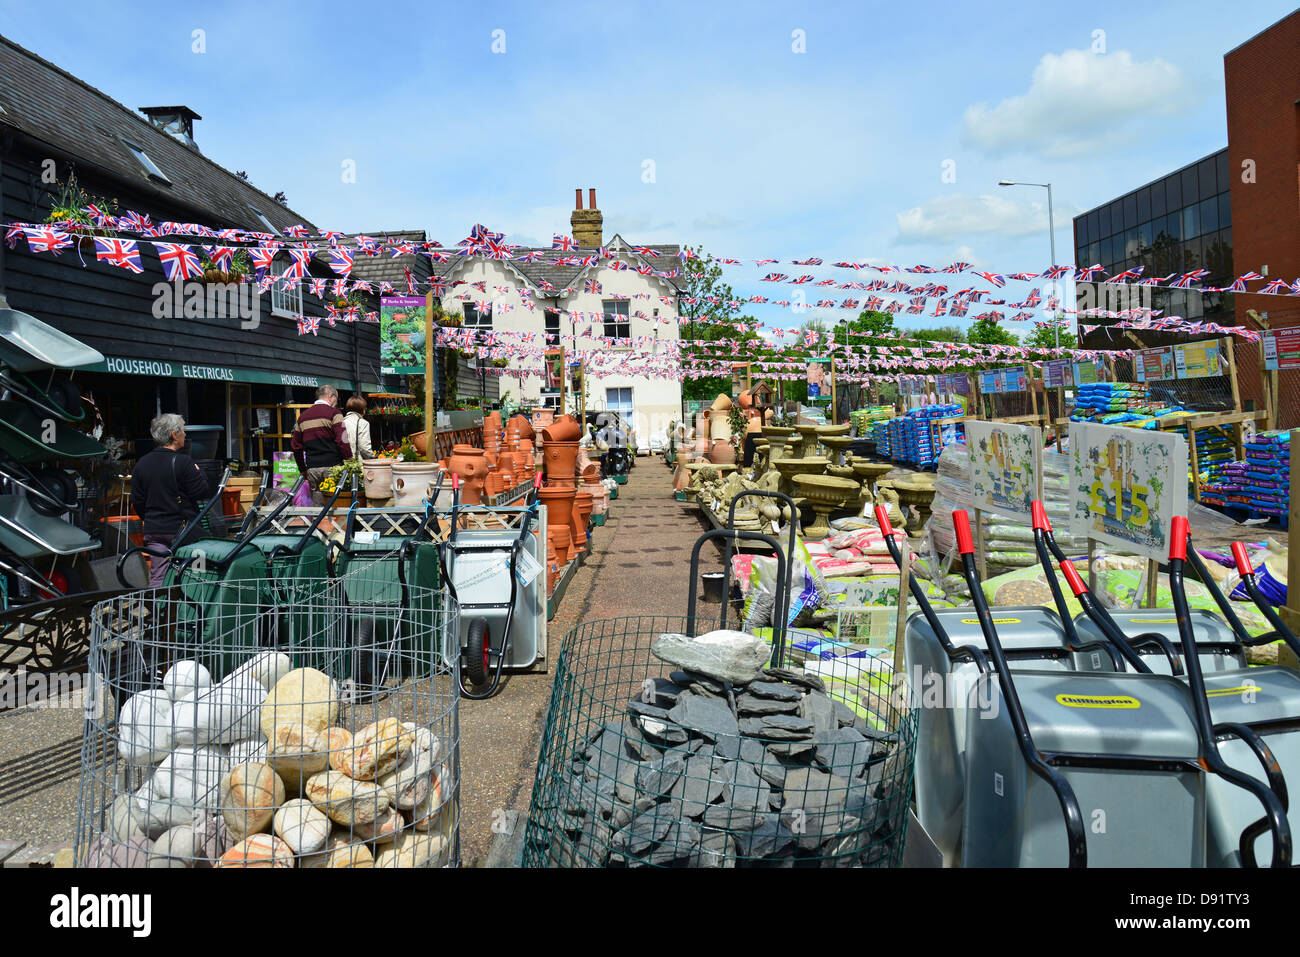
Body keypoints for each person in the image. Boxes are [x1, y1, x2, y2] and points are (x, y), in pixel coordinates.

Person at [132, 413, 213, 588]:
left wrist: (151, 517)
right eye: (183, 431)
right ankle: (194, 610)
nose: (185, 435)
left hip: (155, 529)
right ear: (174, 435)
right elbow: (201, 491)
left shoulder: (141, 464)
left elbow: (138, 502)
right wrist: (200, 472)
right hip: (184, 530)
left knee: (158, 576)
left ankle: (160, 611)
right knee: (197, 572)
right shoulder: (183, 462)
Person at [291, 384, 351, 505]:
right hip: (333, 467)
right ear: (331, 396)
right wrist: (350, 460)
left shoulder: (302, 417)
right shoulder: (334, 413)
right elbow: (342, 440)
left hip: (312, 468)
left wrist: (303, 469)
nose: (336, 402)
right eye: (336, 399)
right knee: (335, 505)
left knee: (317, 508)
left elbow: (296, 446)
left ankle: (317, 524)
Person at [342, 395, 374, 461]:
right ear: (362, 409)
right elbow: (364, 447)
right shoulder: (363, 423)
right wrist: (373, 458)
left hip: (342, 462)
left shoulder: (341, 422)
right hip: (357, 463)